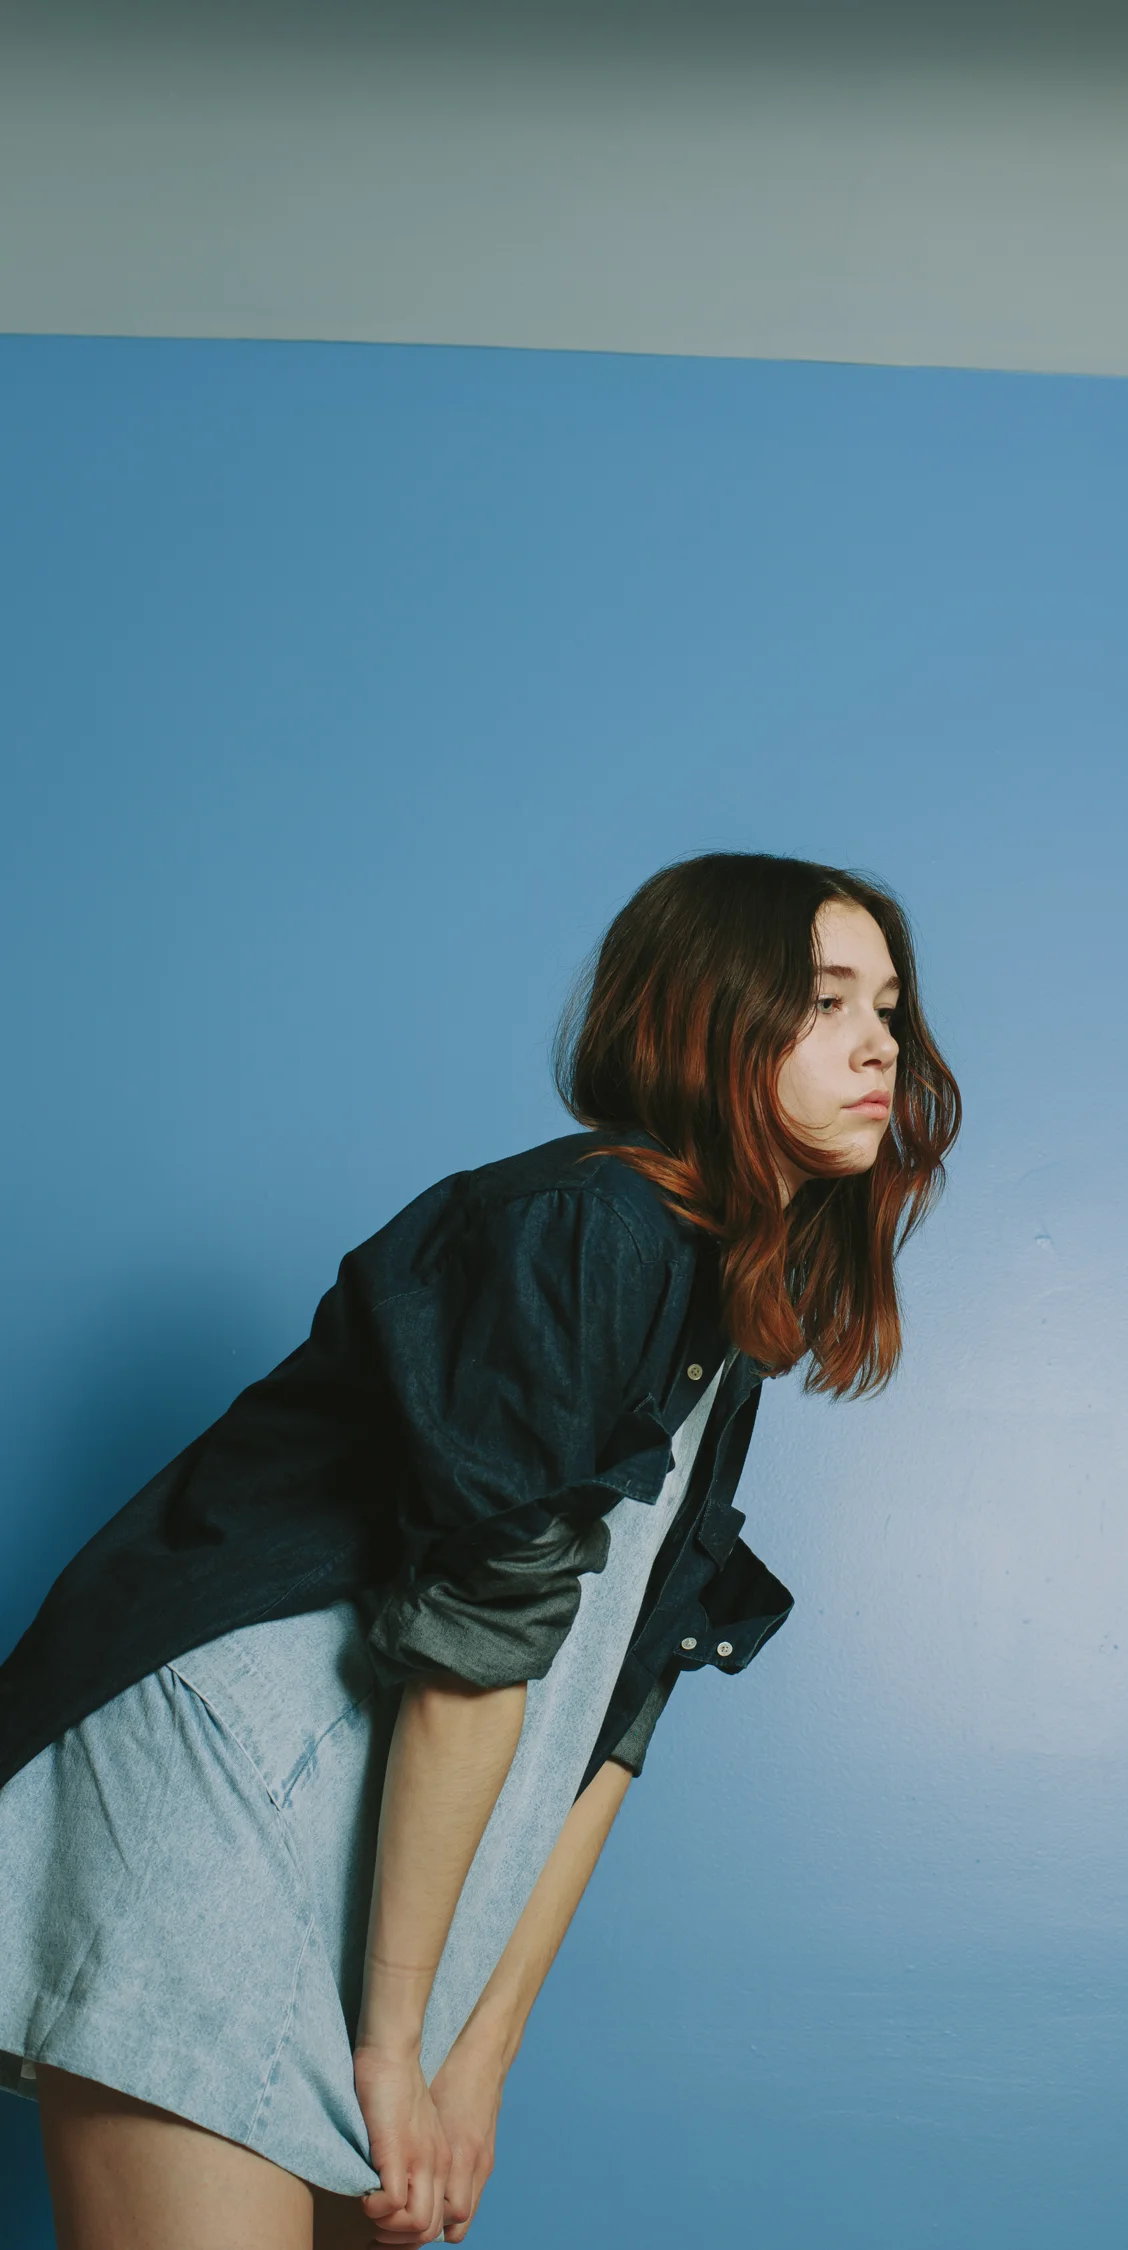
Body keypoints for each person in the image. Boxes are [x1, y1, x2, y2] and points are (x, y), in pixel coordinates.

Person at [0, 851, 960, 2250]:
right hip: (217, 1788)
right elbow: (473, 1649)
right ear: (705, 1016)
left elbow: (616, 1716)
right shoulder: (589, 1228)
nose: (880, 1044)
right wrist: (395, 2049)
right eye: (825, 1002)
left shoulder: (724, 1312)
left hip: (369, 1841)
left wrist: (476, 2056)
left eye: (888, 1006)